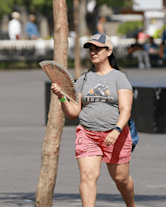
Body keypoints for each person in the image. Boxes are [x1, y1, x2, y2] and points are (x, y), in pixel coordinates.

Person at [50, 33, 137, 207]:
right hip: (88, 134)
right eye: (91, 49)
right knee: (88, 175)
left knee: (120, 178)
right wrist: (61, 97)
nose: (93, 52)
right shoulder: (84, 79)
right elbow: (73, 113)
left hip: (115, 135)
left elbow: (126, 109)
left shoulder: (119, 78)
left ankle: (131, 205)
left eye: (97, 48)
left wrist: (117, 130)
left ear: (109, 51)